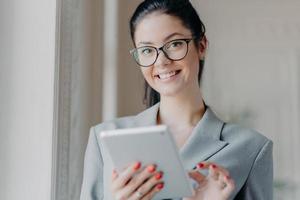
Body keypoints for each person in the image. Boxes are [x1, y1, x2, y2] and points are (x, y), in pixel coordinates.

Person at [80, 0, 273, 199]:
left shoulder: (251, 148)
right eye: (147, 50)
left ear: (202, 46)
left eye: (174, 44)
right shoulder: (104, 138)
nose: (161, 61)